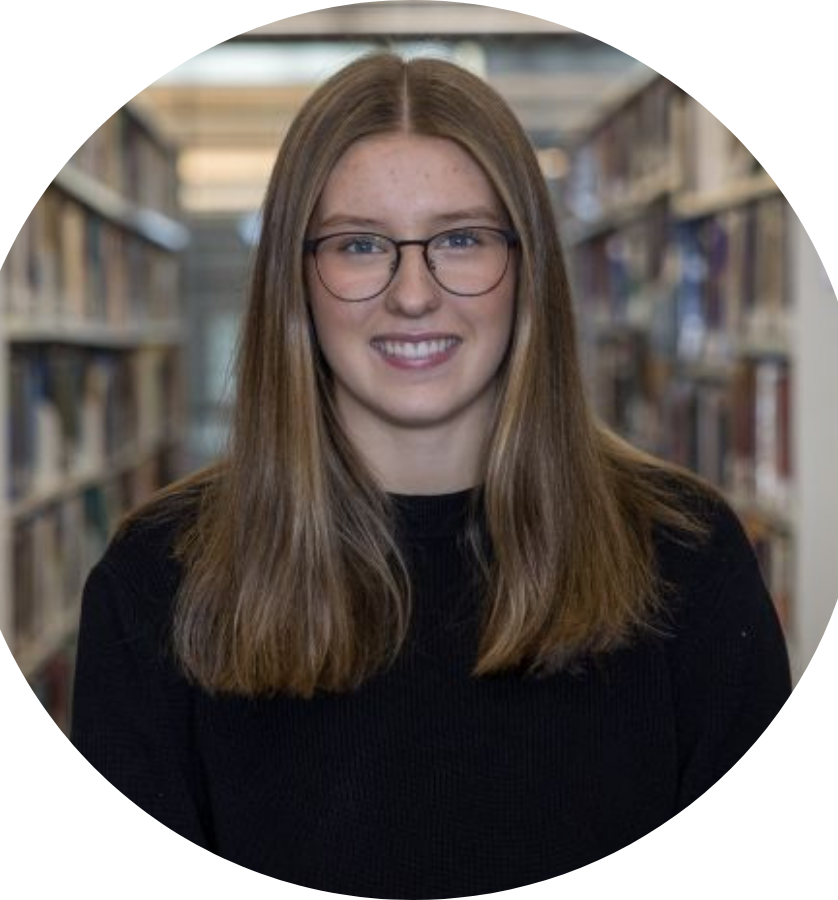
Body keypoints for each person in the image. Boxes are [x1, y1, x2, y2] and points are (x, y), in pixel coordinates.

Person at [70, 53, 791, 898]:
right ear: (294, 280)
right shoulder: (156, 581)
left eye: (460, 238)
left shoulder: (691, 558)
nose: (413, 293)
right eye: (360, 245)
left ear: (528, 267)